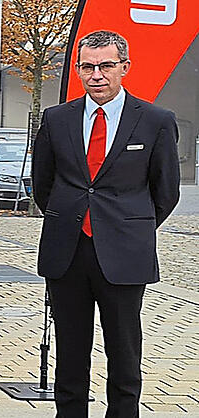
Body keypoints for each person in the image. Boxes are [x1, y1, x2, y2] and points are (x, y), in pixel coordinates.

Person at [32, 30, 180, 417]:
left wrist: (128, 226)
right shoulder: (56, 119)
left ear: (124, 68)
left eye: (106, 66)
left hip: (124, 255)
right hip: (68, 251)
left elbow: (165, 192)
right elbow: (44, 186)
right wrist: (75, 219)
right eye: (87, 66)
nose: (96, 75)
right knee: (71, 354)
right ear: (79, 69)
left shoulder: (155, 121)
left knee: (124, 353)